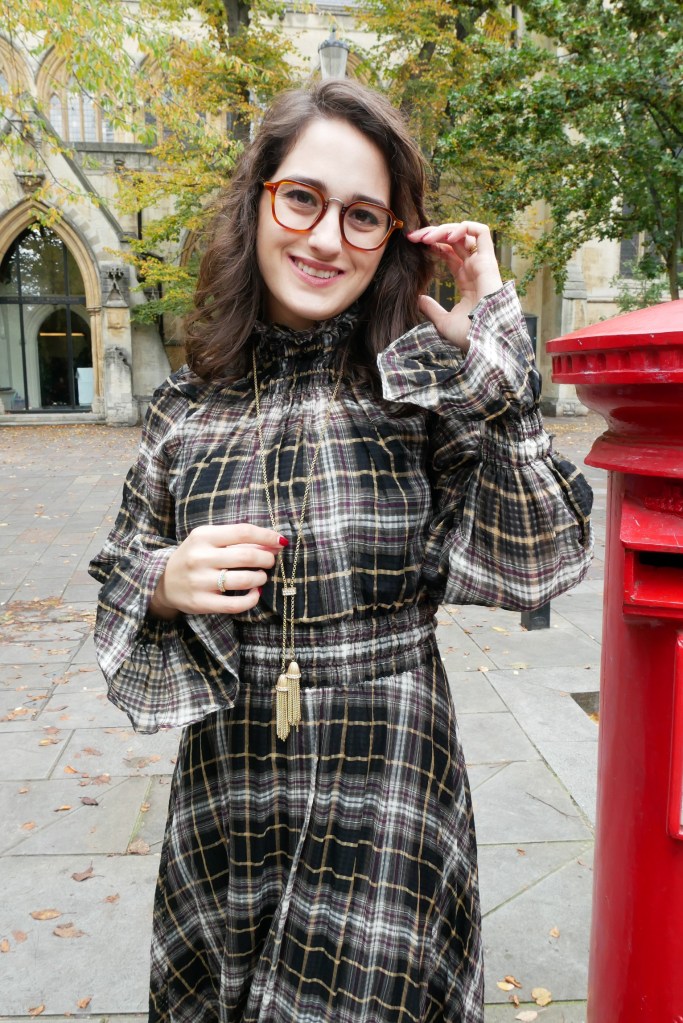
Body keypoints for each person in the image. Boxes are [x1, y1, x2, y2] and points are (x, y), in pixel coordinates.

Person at [89, 78, 593, 1023]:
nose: (325, 239)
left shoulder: (426, 384)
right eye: (302, 199)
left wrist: (494, 352)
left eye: (362, 216)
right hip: (227, 793)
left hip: (387, 785)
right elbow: (119, 574)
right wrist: (163, 580)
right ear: (258, 202)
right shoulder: (184, 409)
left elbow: (541, 554)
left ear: (391, 238)